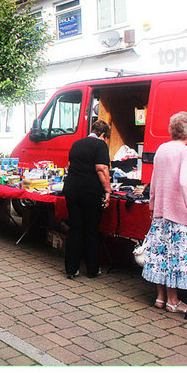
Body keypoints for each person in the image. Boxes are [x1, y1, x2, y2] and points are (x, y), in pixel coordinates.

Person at [141, 111, 187, 314]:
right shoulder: (186, 152)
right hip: (178, 213)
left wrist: (152, 205)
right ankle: (173, 301)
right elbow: (183, 182)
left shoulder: (162, 148)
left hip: (161, 211)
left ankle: (160, 298)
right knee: (174, 256)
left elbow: (154, 180)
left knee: (161, 254)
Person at [63, 120, 112, 279]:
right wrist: (108, 190)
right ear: (103, 135)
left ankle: (71, 269)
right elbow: (101, 168)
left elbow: (70, 164)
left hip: (72, 189)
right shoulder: (100, 145)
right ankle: (92, 270)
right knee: (91, 229)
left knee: (75, 227)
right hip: (89, 191)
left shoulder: (77, 143)